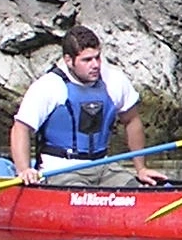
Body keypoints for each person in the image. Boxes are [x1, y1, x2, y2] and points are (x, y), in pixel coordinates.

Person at [10, 25, 168, 186]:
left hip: (103, 166)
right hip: (60, 169)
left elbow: (132, 120)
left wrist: (140, 168)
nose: (95, 65)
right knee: (79, 191)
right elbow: (20, 128)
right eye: (86, 60)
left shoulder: (114, 80)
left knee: (133, 188)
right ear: (69, 60)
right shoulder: (49, 86)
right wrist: (24, 170)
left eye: (97, 57)